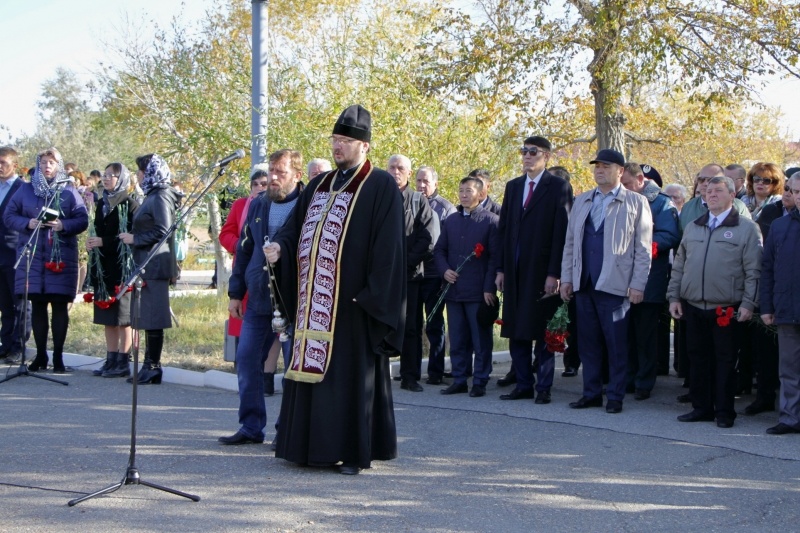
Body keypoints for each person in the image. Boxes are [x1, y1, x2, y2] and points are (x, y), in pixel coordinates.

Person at [266, 104, 405, 475]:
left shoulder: (379, 185)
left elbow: (389, 247)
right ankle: (307, 448)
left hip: (354, 304)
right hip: (314, 303)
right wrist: (280, 246)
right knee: (310, 375)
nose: (338, 146)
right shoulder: (318, 184)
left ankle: (352, 453)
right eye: (335, 140)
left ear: (365, 146)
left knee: (348, 381)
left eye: (346, 141)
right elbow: (295, 229)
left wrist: (370, 296)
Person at [219, 151, 305, 446]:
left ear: (297, 175)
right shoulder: (258, 205)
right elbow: (243, 251)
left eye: (281, 172)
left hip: (294, 301)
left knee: (294, 367)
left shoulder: (307, 207)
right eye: (272, 171)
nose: (274, 177)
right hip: (257, 298)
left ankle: (288, 429)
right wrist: (235, 292)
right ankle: (251, 427)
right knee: (246, 360)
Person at [560, 149, 652, 414]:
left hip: (615, 283)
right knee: (587, 343)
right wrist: (567, 278)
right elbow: (570, 244)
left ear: (620, 171)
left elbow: (643, 249)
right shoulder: (583, 201)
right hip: (584, 283)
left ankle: (615, 396)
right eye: (597, 166)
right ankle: (591, 393)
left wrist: (638, 284)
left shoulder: (635, 202)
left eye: (606, 166)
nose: (600, 170)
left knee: (616, 345)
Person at [668, 176, 761, 428]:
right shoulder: (694, 227)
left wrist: (748, 303)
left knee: (725, 361)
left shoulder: (746, 228)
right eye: (708, 191)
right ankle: (701, 408)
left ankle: (724, 411)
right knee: (697, 359)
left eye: (718, 190)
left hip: (727, 307)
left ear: (732, 195)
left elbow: (754, 271)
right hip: (694, 305)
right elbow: (679, 266)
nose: (711, 195)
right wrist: (674, 297)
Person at [496, 136, 571, 405]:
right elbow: (504, 230)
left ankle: (544, 388)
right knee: (515, 328)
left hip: (542, 272)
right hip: (515, 271)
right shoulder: (514, 187)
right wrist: (501, 268)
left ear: (546, 157)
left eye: (533, 152)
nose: (527, 156)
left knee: (543, 332)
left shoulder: (558, 187)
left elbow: (561, 233)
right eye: (524, 151)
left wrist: (555, 273)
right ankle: (524, 384)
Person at [3, 147, 89, 373]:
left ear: (59, 165)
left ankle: (58, 358)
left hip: (60, 258)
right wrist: (27, 223)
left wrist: (63, 225)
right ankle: (40, 355)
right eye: (43, 163)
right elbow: (9, 216)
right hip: (33, 258)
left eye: (51, 162)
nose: (47, 166)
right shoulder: (25, 190)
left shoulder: (69, 190)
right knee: (38, 306)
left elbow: (82, 219)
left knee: (59, 307)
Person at [119, 154, 183, 385]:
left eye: (141, 171)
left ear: (151, 172)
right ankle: (149, 365)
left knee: (154, 316)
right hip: (146, 263)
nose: (137, 176)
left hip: (155, 264)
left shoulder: (161, 195)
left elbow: (164, 230)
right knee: (148, 316)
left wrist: (135, 238)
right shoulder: (152, 195)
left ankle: (153, 366)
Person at [620, 163, 680, 400]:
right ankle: (627, 377)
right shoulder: (622, 199)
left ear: (640, 180)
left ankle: (644, 381)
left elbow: (669, 235)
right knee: (626, 334)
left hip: (649, 279)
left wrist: (641, 244)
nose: (623, 188)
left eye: (626, 183)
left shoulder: (662, 203)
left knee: (645, 334)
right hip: (622, 277)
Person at [435, 176, 499, 397]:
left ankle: (480, 380)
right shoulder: (451, 220)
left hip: (478, 291)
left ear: (481, 194)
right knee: (458, 338)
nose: (463, 195)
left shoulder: (491, 221)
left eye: (469, 191)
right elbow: (439, 250)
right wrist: (444, 269)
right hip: (454, 290)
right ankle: (459, 378)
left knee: (480, 338)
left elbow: (494, 259)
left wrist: (489, 288)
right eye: (461, 190)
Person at [387, 154, 437, 392]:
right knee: (378, 324)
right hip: (381, 276)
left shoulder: (418, 201)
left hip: (410, 276)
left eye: (401, 168)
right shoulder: (376, 197)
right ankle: (375, 376)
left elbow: (426, 239)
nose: (395, 172)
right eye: (392, 167)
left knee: (410, 327)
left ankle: (410, 376)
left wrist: (404, 263)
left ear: (409, 173)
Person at [85, 163, 139, 378]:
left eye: (111, 176)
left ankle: (123, 361)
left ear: (122, 178)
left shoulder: (130, 204)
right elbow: (97, 230)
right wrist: (91, 243)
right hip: (103, 268)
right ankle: (111, 358)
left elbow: (129, 238)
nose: (106, 179)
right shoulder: (101, 204)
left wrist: (103, 241)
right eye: (104, 175)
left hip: (121, 268)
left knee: (123, 318)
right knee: (107, 317)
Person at [760, 171, 800, 434]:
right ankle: (790, 418)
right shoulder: (780, 226)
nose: (798, 197)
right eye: (795, 192)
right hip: (788, 309)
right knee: (789, 369)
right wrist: (767, 307)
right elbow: (768, 269)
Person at [415, 166, 456, 385]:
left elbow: (449, 245)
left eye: (426, 181)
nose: (421, 185)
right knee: (412, 325)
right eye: (418, 180)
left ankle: (436, 371)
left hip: (434, 276)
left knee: (434, 324)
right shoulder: (409, 202)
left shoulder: (445, 209)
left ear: (435, 184)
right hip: (412, 275)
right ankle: (410, 371)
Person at [0, 146, 31, 364]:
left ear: (14, 165)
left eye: (3, 163)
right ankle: (5, 343)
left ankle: (18, 346)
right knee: (3, 303)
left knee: (19, 302)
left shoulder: (23, 189)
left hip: (15, 253)